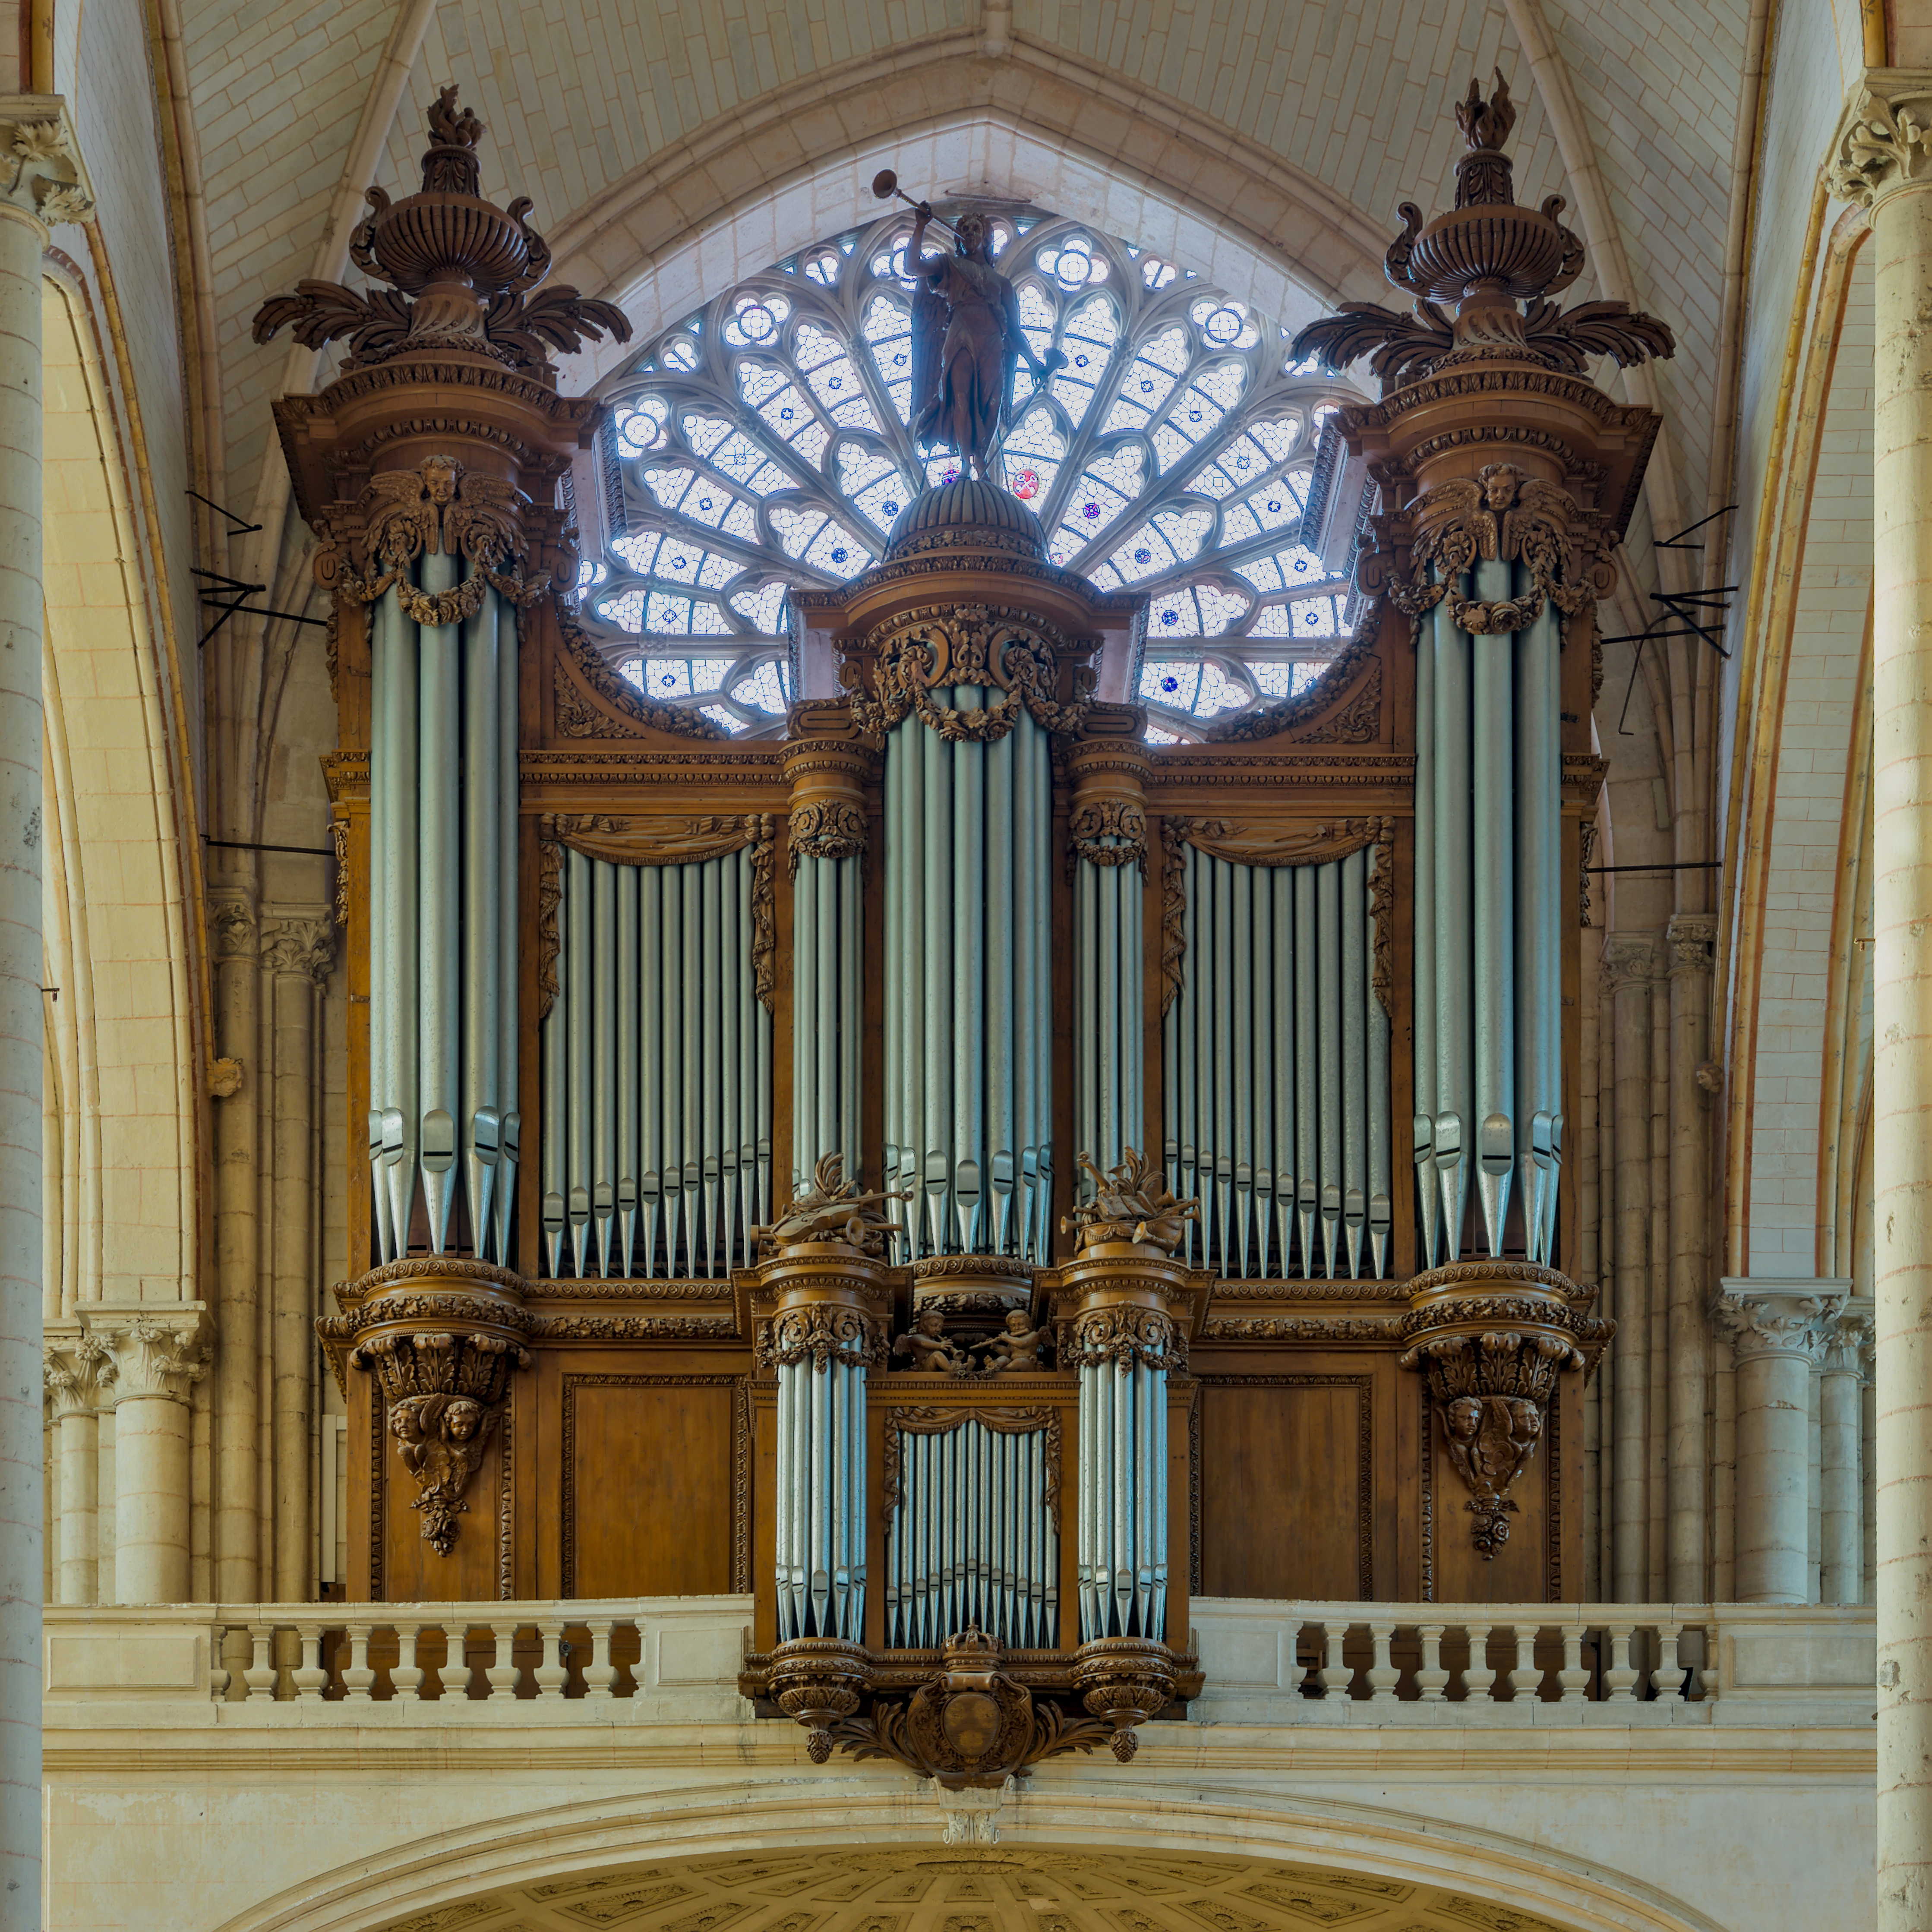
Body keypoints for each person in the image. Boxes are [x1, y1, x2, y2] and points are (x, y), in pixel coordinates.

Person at [906, 205, 1060, 480]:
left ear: (987, 239)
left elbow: (1014, 330)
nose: (969, 234)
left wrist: (1034, 364)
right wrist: (920, 227)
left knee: (991, 405)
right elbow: (913, 267)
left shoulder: (1002, 285)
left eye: (976, 229)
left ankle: (980, 458)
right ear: (957, 237)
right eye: (964, 230)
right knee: (962, 396)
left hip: (992, 342)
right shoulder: (949, 265)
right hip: (961, 334)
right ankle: (968, 465)